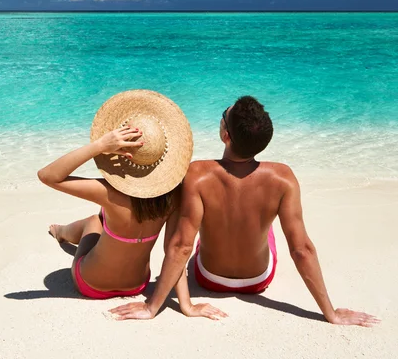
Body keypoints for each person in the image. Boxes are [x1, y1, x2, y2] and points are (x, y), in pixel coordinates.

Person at [110, 96, 380, 327]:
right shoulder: (283, 177)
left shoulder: (197, 173)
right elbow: (302, 250)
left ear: (226, 135)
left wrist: (152, 306)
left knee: (206, 226)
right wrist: (330, 313)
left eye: (223, 117)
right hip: (258, 280)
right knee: (267, 225)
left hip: (209, 278)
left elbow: (182, 246)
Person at [38, 90, 193, 299]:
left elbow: (48, 176)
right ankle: (63, 232)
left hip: (91, 284)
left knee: (94, 220)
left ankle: (61, 232)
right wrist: (186, 304)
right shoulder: (173, 196)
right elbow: (175, 250)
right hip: (137, 285)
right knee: (105, 220)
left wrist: (99, 146)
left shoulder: (109, 193)